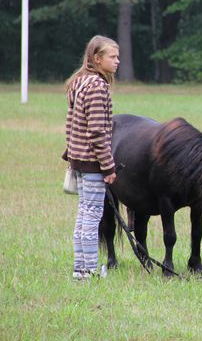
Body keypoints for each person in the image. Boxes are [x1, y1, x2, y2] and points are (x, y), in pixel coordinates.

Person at [62, 35, 120, 279]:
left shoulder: (79, 82)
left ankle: (80, 269)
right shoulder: (97, 87)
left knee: (83, 215)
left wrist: (71, 155)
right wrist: (108, 167)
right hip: (93, 164)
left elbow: (70, 125)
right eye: (112, 57)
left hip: (79, 161)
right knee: (92, 217)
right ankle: (89, 271)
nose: (117, 61)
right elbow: (97, 132)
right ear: (97, 59)